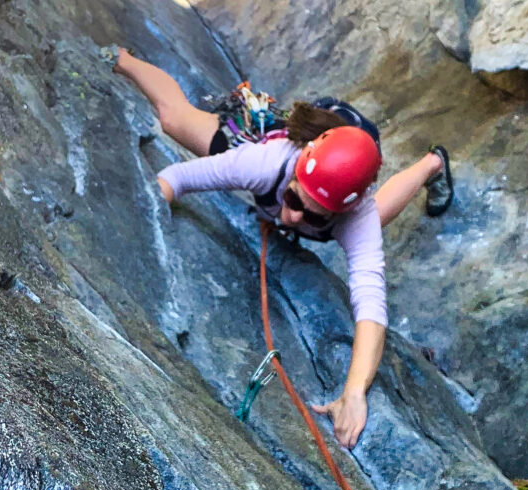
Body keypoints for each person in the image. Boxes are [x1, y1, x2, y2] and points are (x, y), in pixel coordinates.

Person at [113, 47, 452, 450]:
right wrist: (140, 217)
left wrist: (354, 392)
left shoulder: (354, 214)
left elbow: (371, 305)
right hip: (300, 148)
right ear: (293, 174)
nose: (291, 220)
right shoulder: (265, 160)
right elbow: (178, 177)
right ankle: (122, 58)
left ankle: (432, 164)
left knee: (373, 221)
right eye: (292, 201)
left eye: (312, 215)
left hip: (347, 167)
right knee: (173, 119)